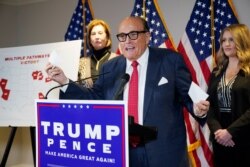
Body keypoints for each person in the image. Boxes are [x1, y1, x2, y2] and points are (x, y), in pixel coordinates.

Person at [45, 16, 209, 167]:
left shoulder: (170, 60)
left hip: (163, 153)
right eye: (122, 36)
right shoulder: (110, 67)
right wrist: (64, 81)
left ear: (147, 36)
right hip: (123, 153)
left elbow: (187, 95)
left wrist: (197, 109)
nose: (127, 41)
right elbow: (94, 98)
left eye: (133, 35)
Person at [207, 24, 250, 167]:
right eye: (223, 40)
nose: (226, 44)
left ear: (241, 41)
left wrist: (231, 132)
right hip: (220, 140)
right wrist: (218, 131)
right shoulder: (216, 72)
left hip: (244, 140)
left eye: (231, 40)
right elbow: (209, 105)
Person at [78, 19, 116, 88]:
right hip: (86, 98)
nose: (97, 37)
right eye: (93, 34)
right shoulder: (81, 62)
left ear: (107, 37)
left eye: (100, 33)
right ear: (89, 39)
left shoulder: (117, 60)